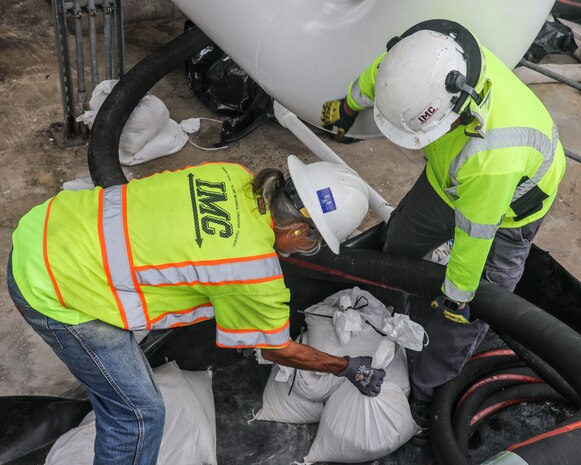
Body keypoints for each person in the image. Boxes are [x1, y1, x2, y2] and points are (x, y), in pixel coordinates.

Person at [7, 155, 385, 465]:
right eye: (311, 243)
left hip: (50, 225)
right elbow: (276, 349)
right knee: (139, 415)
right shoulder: (254, 270)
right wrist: (347, 366)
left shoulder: (231, 173)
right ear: (301, 232)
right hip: (54, 286)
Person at [321, 18, 566, 436]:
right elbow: (382, 74)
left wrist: (456, 298)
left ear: (460, 110)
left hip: (506, 215)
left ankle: (423, 388)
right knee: (397, 244)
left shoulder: (493, 152)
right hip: (446, 182)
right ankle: (389, 323)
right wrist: (347, 105)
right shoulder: (427, 64)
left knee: (466, 311)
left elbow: (475, 237)